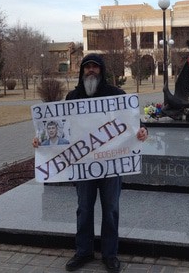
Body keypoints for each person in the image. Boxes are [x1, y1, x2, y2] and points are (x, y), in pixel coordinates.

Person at [33, 53, 148, 273]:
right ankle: (83, 251)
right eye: (88, 67)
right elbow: (60, 130)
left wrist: (142, 130)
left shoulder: (116, 95)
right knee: (84, 208)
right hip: (83, 165)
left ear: (102, 70)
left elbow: (134, 123)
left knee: (111, 209)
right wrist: (41, 140)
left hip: (111, 164)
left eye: (95, 66)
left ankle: (110, 254)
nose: (91, 70)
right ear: (82, 71)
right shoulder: (72, 97)